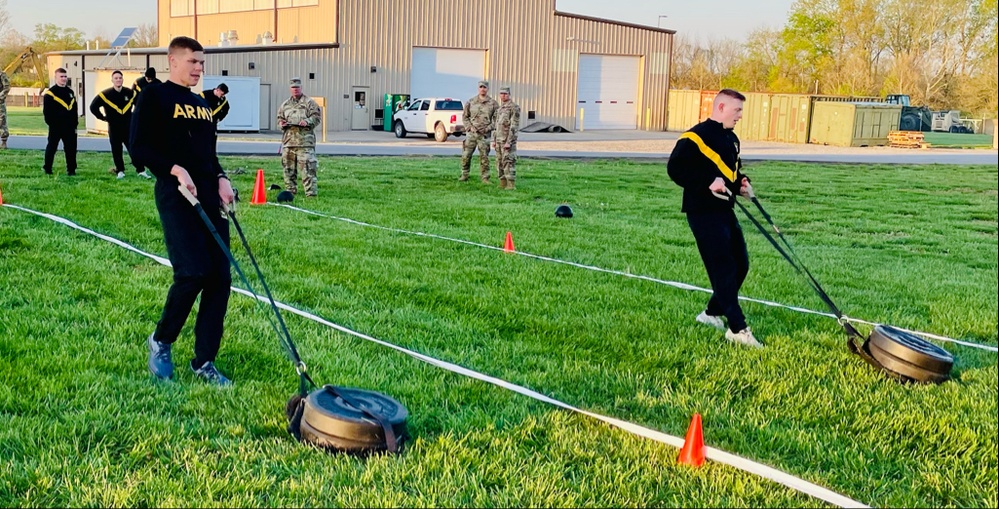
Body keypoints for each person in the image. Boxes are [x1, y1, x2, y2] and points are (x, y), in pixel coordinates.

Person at [130, 36, 237, 385]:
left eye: (202, 63)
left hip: (209, 195)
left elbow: (208, 151)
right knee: (192, 272)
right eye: (193, 61)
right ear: (173, 60)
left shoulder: (202, 103)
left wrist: (220, 177)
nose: (199, 68)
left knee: (219, 277)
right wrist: (174, 169)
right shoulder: (155, 96)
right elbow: (139, 147)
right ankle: (161, 341)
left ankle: (204, 361)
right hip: (177, 195)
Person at [666, 88, 761, 348]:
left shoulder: (731, 139)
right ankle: (737, 328)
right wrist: (708, 181)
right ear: (720, 108)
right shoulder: (695, 137)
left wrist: (742, 183)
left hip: (724, 210)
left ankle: (710, 314)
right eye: (737, 110)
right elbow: (675, 168)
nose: (740, 115)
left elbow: (733, 170)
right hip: (702, 212)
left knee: (740, 264)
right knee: (723, 268)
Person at [89, 70, 151, 180]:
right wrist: (102, 117)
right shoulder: (105, 94)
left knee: (133, 149)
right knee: (116, 149)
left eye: (120, 78)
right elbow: (93, 107)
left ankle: (141, 170)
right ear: (112, 80)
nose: (118, 80)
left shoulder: (130, 93)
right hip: (114, 127)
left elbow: (140, 105)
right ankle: (120, 170)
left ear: (123, 79)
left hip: (128, 127)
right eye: (116, 78)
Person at [276, 77, 322, 197]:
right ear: (290, 89)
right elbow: (280, 118)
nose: (295, 90)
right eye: (293, 88)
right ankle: (290, 192)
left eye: (297, 87)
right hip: (289, 142)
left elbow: (316, 118)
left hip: (305, 142)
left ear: (301, 88)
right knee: (288, 169)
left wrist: (307, 122)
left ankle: (311, 194)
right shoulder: (285, 104)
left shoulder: (309, 103)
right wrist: (281, 123)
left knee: (308, 169)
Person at [459, 80, 498, 183]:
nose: (482, 89)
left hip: (484, 135)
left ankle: (485, 178)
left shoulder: (493, 103)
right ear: (478, 88)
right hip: (472, 134)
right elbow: (465, 117)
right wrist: (469, 127)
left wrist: (488, 128)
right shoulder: (471, 102)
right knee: (466, 156)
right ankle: (464, 174)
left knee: (484, 157)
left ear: (487, 89)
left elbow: (496, 120)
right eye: (481, 87)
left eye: (484, 87)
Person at [42, 68, 78, 176]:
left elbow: (74, 110)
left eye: (65, 76)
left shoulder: (70, 92)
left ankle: (71, 170)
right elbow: (47, 112)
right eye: (61, 76)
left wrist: (75, 124)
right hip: (56, 127)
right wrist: (52, 124)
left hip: (70, 127)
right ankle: (47, 168)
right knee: (52, 147)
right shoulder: (50, 93)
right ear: (56, 77)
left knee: (71, 149)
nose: (64, 79)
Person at [492, 86, 521, 190]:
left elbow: (514, 126)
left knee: (508, 162)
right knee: (499, 162)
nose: (503, 96)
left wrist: (509, 141)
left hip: (507, 141)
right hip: (499, 141)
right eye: (501, 94)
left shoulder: (514, 108)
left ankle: (511, 184)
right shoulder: (500, 109)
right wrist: (494, 140)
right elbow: (496, 126)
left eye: (505, 94)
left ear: (509, 94)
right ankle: (502, 182)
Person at [200, 83, 230, 147]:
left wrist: (219, 118)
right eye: (222, 94)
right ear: (218, 90)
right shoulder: (204, 95)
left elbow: (226, 109)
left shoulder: (223, 101)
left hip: (213, 123)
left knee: (212, 140)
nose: (223, 96)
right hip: (202, 122)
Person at [0, 69, 10, 150]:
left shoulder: (1, 74)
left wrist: (1, 96)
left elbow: (6, 87)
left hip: (0, 103)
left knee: (2, 121)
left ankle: (4, 141)